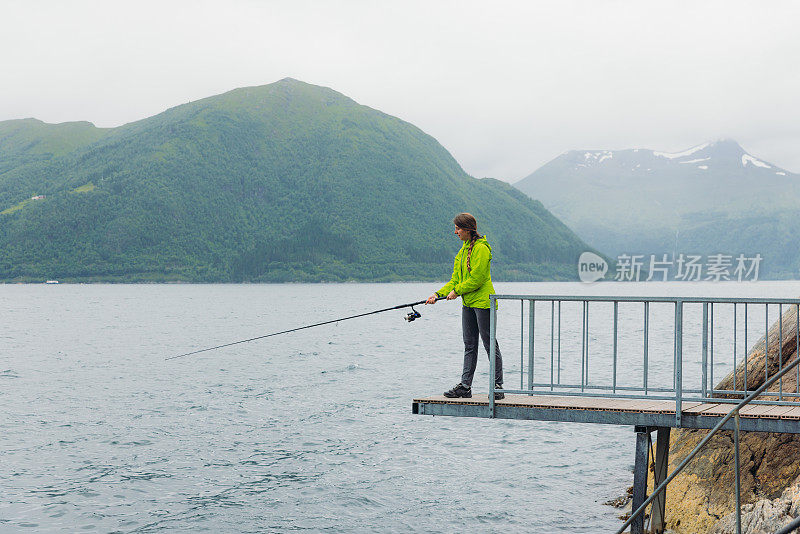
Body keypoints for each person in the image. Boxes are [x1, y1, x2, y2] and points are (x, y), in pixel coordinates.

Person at [426, 213, 503, 400]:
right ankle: (465, 387)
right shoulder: (462, 251)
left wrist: (458, 291)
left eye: (458, 228)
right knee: (470, 345)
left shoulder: (481, 249)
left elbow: (477, 279)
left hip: (484, 303)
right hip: (468, 303)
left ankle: (497, 387)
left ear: (468, 229)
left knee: (489, 344)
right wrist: (438, 294)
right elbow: (455, 281)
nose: (455, 232)